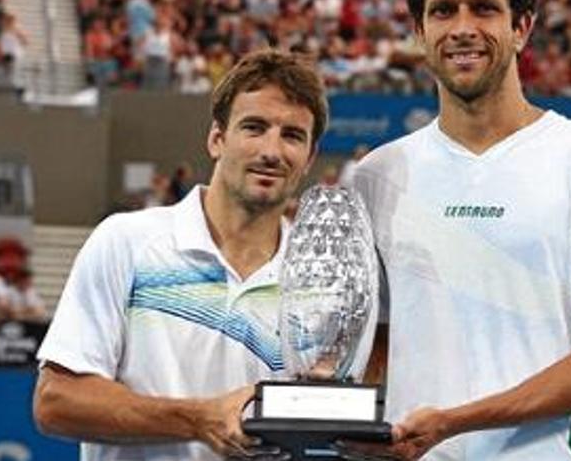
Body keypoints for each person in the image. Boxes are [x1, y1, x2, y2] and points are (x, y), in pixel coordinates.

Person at [347, 0, 571, 459]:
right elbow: (377, 341)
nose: (461, 28)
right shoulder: (377, 175)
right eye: (442, 10)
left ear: (521, 27)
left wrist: (457, 422)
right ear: (419, 31)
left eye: (483, 8)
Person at [33, 50, 372, 460]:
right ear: (217, 139)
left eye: (292, 135)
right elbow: (56, 401)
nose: (271, 150)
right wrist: (197, 419)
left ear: (309, 158)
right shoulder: (127, 242)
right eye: (254, 127)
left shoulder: (322, 286)